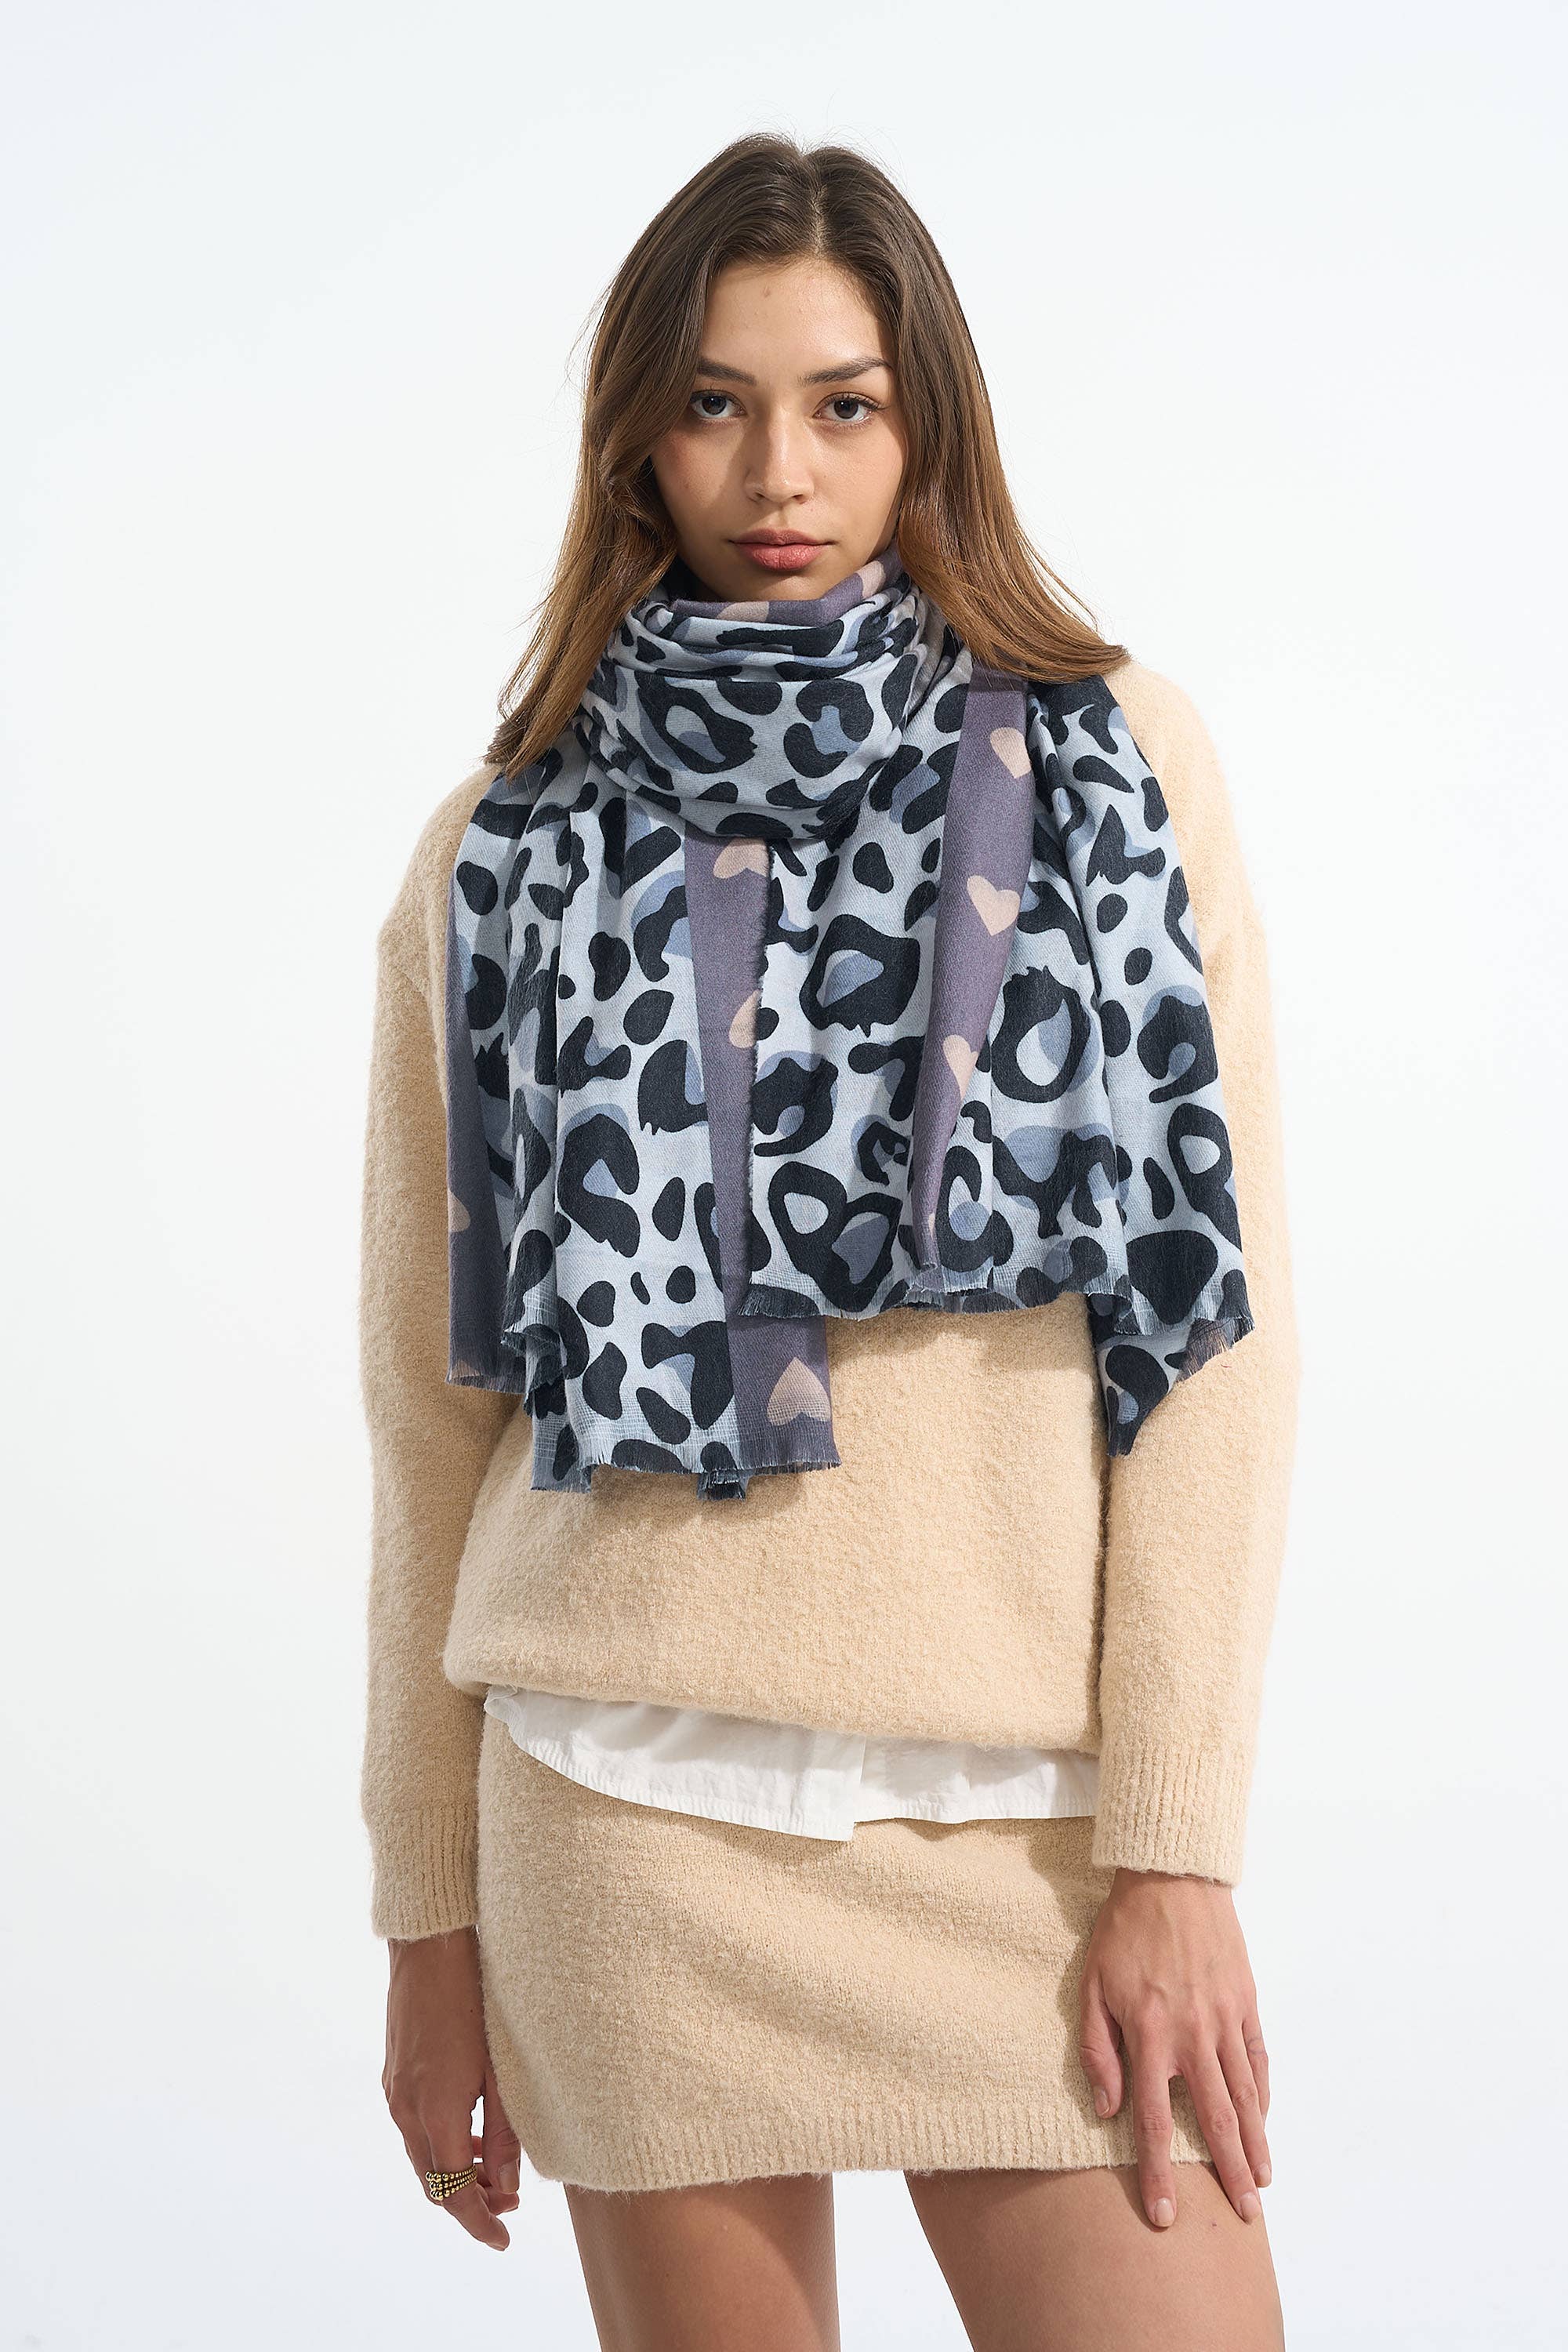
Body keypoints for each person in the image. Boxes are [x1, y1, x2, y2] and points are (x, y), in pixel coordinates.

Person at [358, 131, 1299, 2352]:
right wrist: (428, 1916)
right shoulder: (502, 844)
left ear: (924, 423)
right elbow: (426, 1416)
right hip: (621, 1810)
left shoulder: (1115, 771)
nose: (778, 470)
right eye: (714, 402)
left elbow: (1206, 1349)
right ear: (638, 437)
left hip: (1029, 1840)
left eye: (843, 403)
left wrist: (1177, 1848)